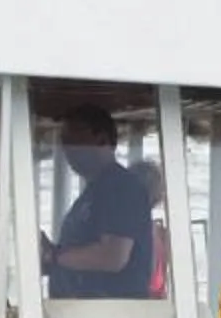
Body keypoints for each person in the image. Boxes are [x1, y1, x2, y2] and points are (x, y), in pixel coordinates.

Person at [40, 103, 159, 299]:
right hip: (86, 316)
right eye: (64, 142)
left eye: (74, 140)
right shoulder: (97, 190)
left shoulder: (121, 187)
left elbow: (113, 256)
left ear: (103, 140)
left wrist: (54, 257)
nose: (67, 150)